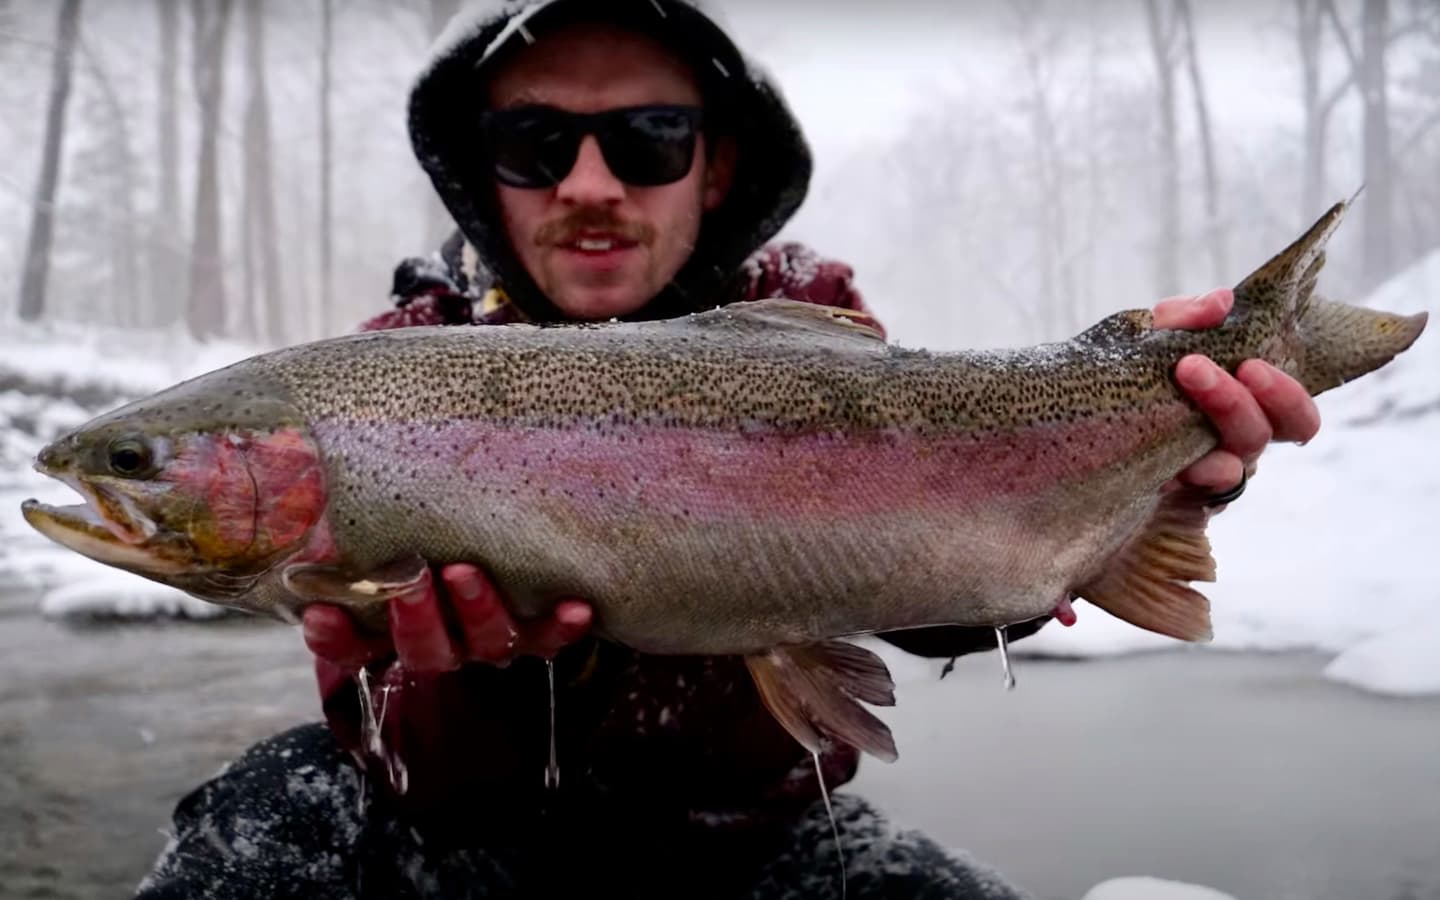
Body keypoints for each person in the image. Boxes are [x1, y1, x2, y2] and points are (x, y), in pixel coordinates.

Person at [133, 2, 1321, 898]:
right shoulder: (383, 377)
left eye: (647, 137)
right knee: (260, 818)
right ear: (479, 172)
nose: (589, 183)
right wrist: (475, 677)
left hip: (760, 844)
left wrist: (1148, 480)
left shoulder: (829, 352)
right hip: (455, 840)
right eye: (536, 141)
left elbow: (917, 573)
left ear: (720, 161)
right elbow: (379, 737)